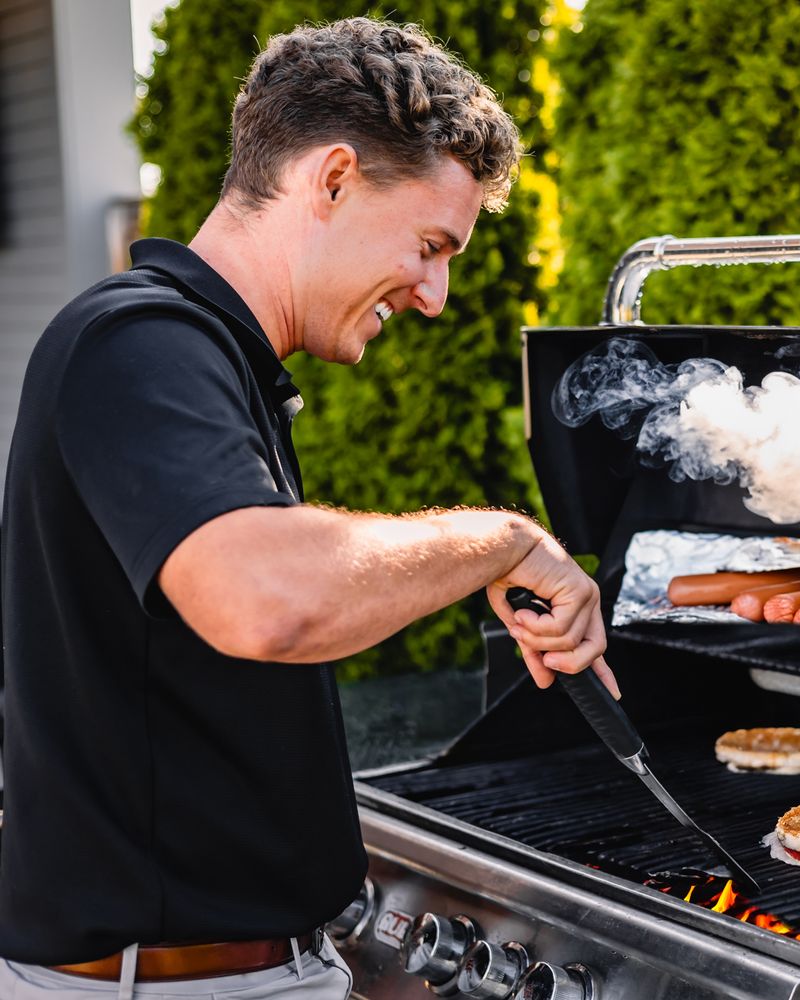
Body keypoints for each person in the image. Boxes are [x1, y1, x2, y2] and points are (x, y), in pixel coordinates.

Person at [0, 17, 609, 999]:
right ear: (331, 179)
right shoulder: (137, 340)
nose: (434, 294)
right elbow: (268, 598)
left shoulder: (203, 360)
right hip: (168, 983)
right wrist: (501, 541)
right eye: (429, 243)